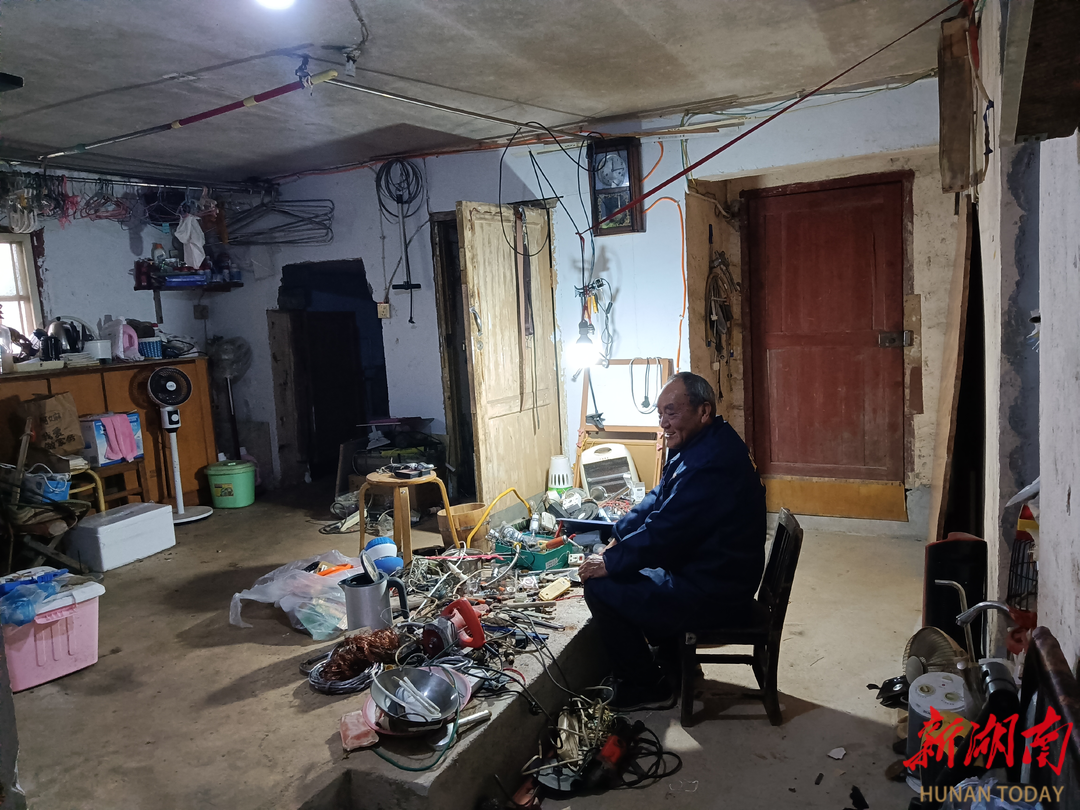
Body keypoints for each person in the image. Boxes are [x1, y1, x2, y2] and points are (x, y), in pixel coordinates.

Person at [579, 371, 766, 711]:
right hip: (709, 573)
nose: (663, 423)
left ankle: (645, 686)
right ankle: (677, 662)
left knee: (602, 586)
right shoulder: (699, 445)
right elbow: (658, 498)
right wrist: (618, 534)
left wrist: (610, 562)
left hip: (715, 592)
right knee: (629, 568)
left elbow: (665, 533)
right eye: (660, 414)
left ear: (703, 411)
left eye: (671, 412)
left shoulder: (712, 464)